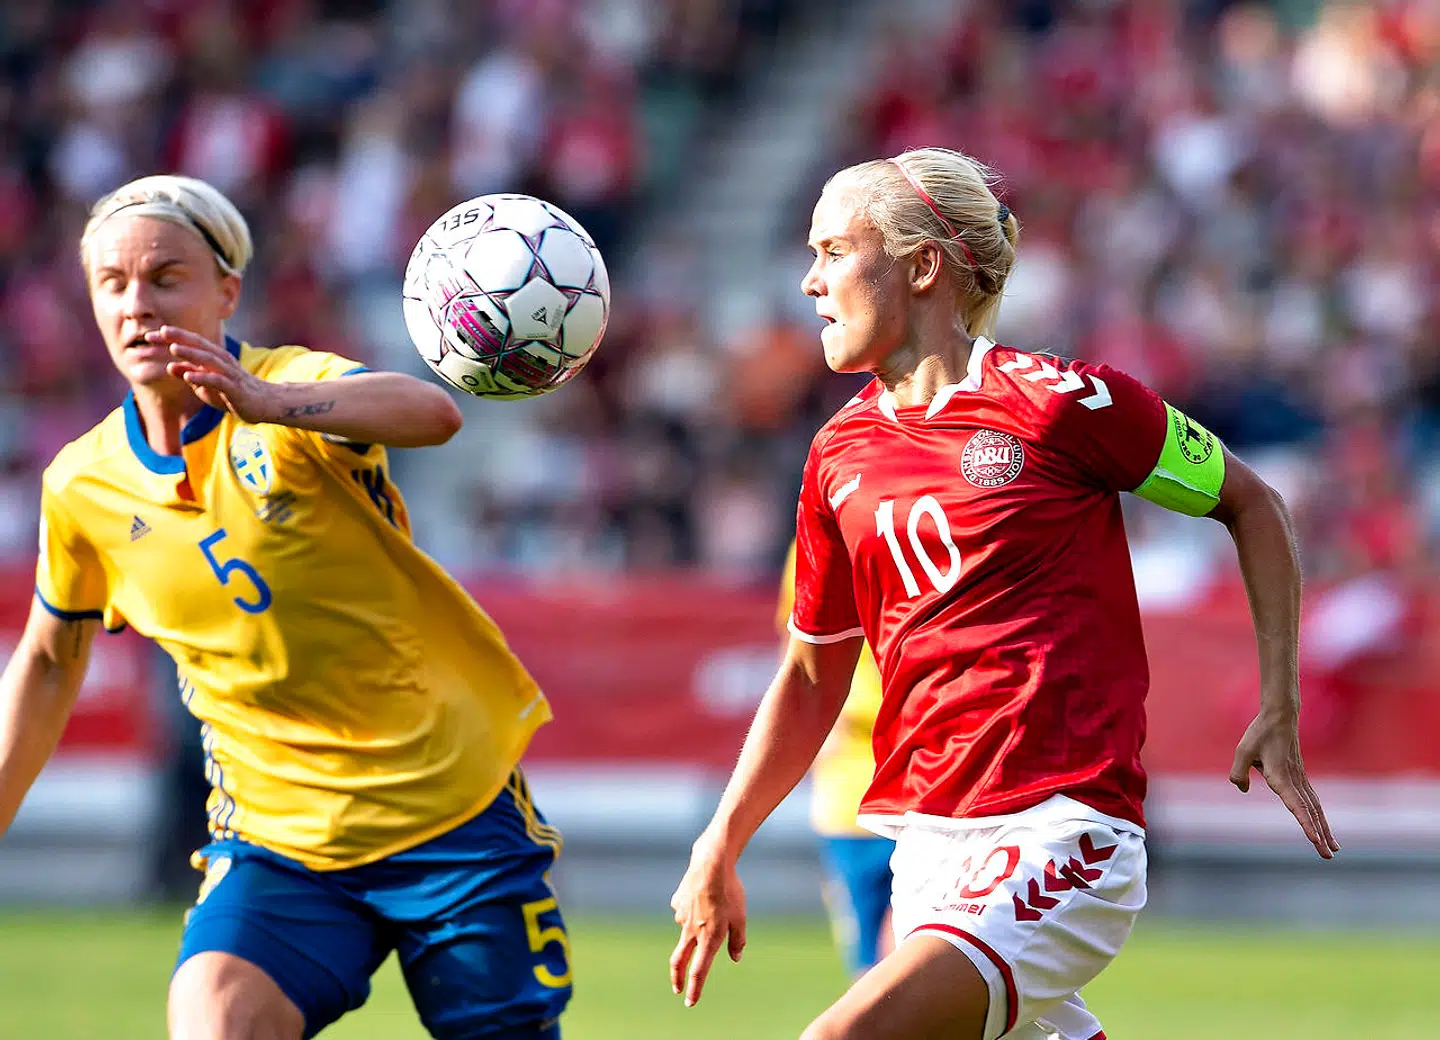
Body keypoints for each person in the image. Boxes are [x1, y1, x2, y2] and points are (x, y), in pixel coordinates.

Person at [670, 148, 1339, 1040]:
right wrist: (721, 839)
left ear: (921, 266)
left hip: (1063, 828)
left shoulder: (1063, 405)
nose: (810, 282)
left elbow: (1252, 503)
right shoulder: (837, 455)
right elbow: (810, 673)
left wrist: (1279, 703)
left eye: (834, 252)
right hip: (924, 847)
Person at [0, 174, 573, 1040]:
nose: (137, 304)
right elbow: (48, 663)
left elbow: (431, 412)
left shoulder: (292, 383)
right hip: (280, 843)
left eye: (166, 277)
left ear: (227, 292)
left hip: (450, 814)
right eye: (112, 284)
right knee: (215, 1018)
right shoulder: (82, 484)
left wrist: (270, 405)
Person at [778, 540, 894, 978]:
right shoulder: (820, 537)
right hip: (850, 786)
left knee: (920, 952)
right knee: (870, 968)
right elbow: (797, 646)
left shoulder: (940, 520)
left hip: (933, 776)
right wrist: (809, 728)